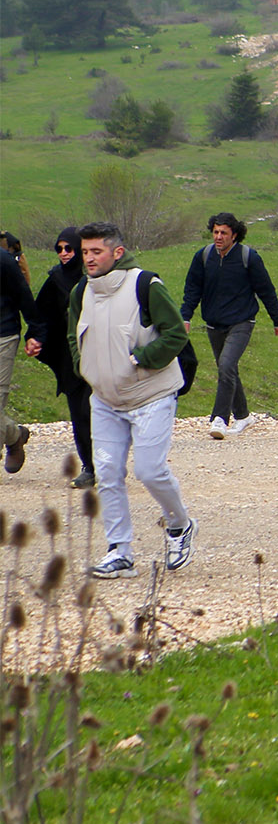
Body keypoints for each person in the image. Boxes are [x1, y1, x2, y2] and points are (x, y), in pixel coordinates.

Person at [68, 223, 196, 578]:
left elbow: (175, 334)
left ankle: (179, 525)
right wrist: (85, 368)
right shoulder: (81, 291)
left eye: (96, 252)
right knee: (107, 473)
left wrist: (142, 358)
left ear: (117, 252)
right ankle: (119, 551)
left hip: (151, 395)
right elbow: (71, 333)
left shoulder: (146, 284)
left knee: (150, 471)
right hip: (105, 400)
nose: (89, 259)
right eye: (85, 252)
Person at [179, 212, 278, 440]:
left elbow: (266, 291)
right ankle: (243, 415)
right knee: (228, 368)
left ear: (234, 235)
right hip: (213, 324)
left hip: (242, 322)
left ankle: (219, 418)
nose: (218, 237)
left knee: (226, 365)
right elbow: (192, 289)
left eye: (223, 233)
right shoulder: (204, 256)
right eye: (215, 232)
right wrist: (185, 317)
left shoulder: (249, 258)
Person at [27, 229, 92, 487]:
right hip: (70, 356)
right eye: (60, 249)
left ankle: (109, 464)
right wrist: (35, 338)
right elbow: (40, 314)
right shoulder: (56, 279)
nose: (64, 254)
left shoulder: (96, 277)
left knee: (99, 411)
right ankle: (89, 466)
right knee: (79, 411)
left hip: (99, 352)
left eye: (70, 249)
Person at [0, 233, 44, 474]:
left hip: (3, 335)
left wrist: (34, 332)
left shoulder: (4, 261)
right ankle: (15, 436)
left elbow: (24, 296)